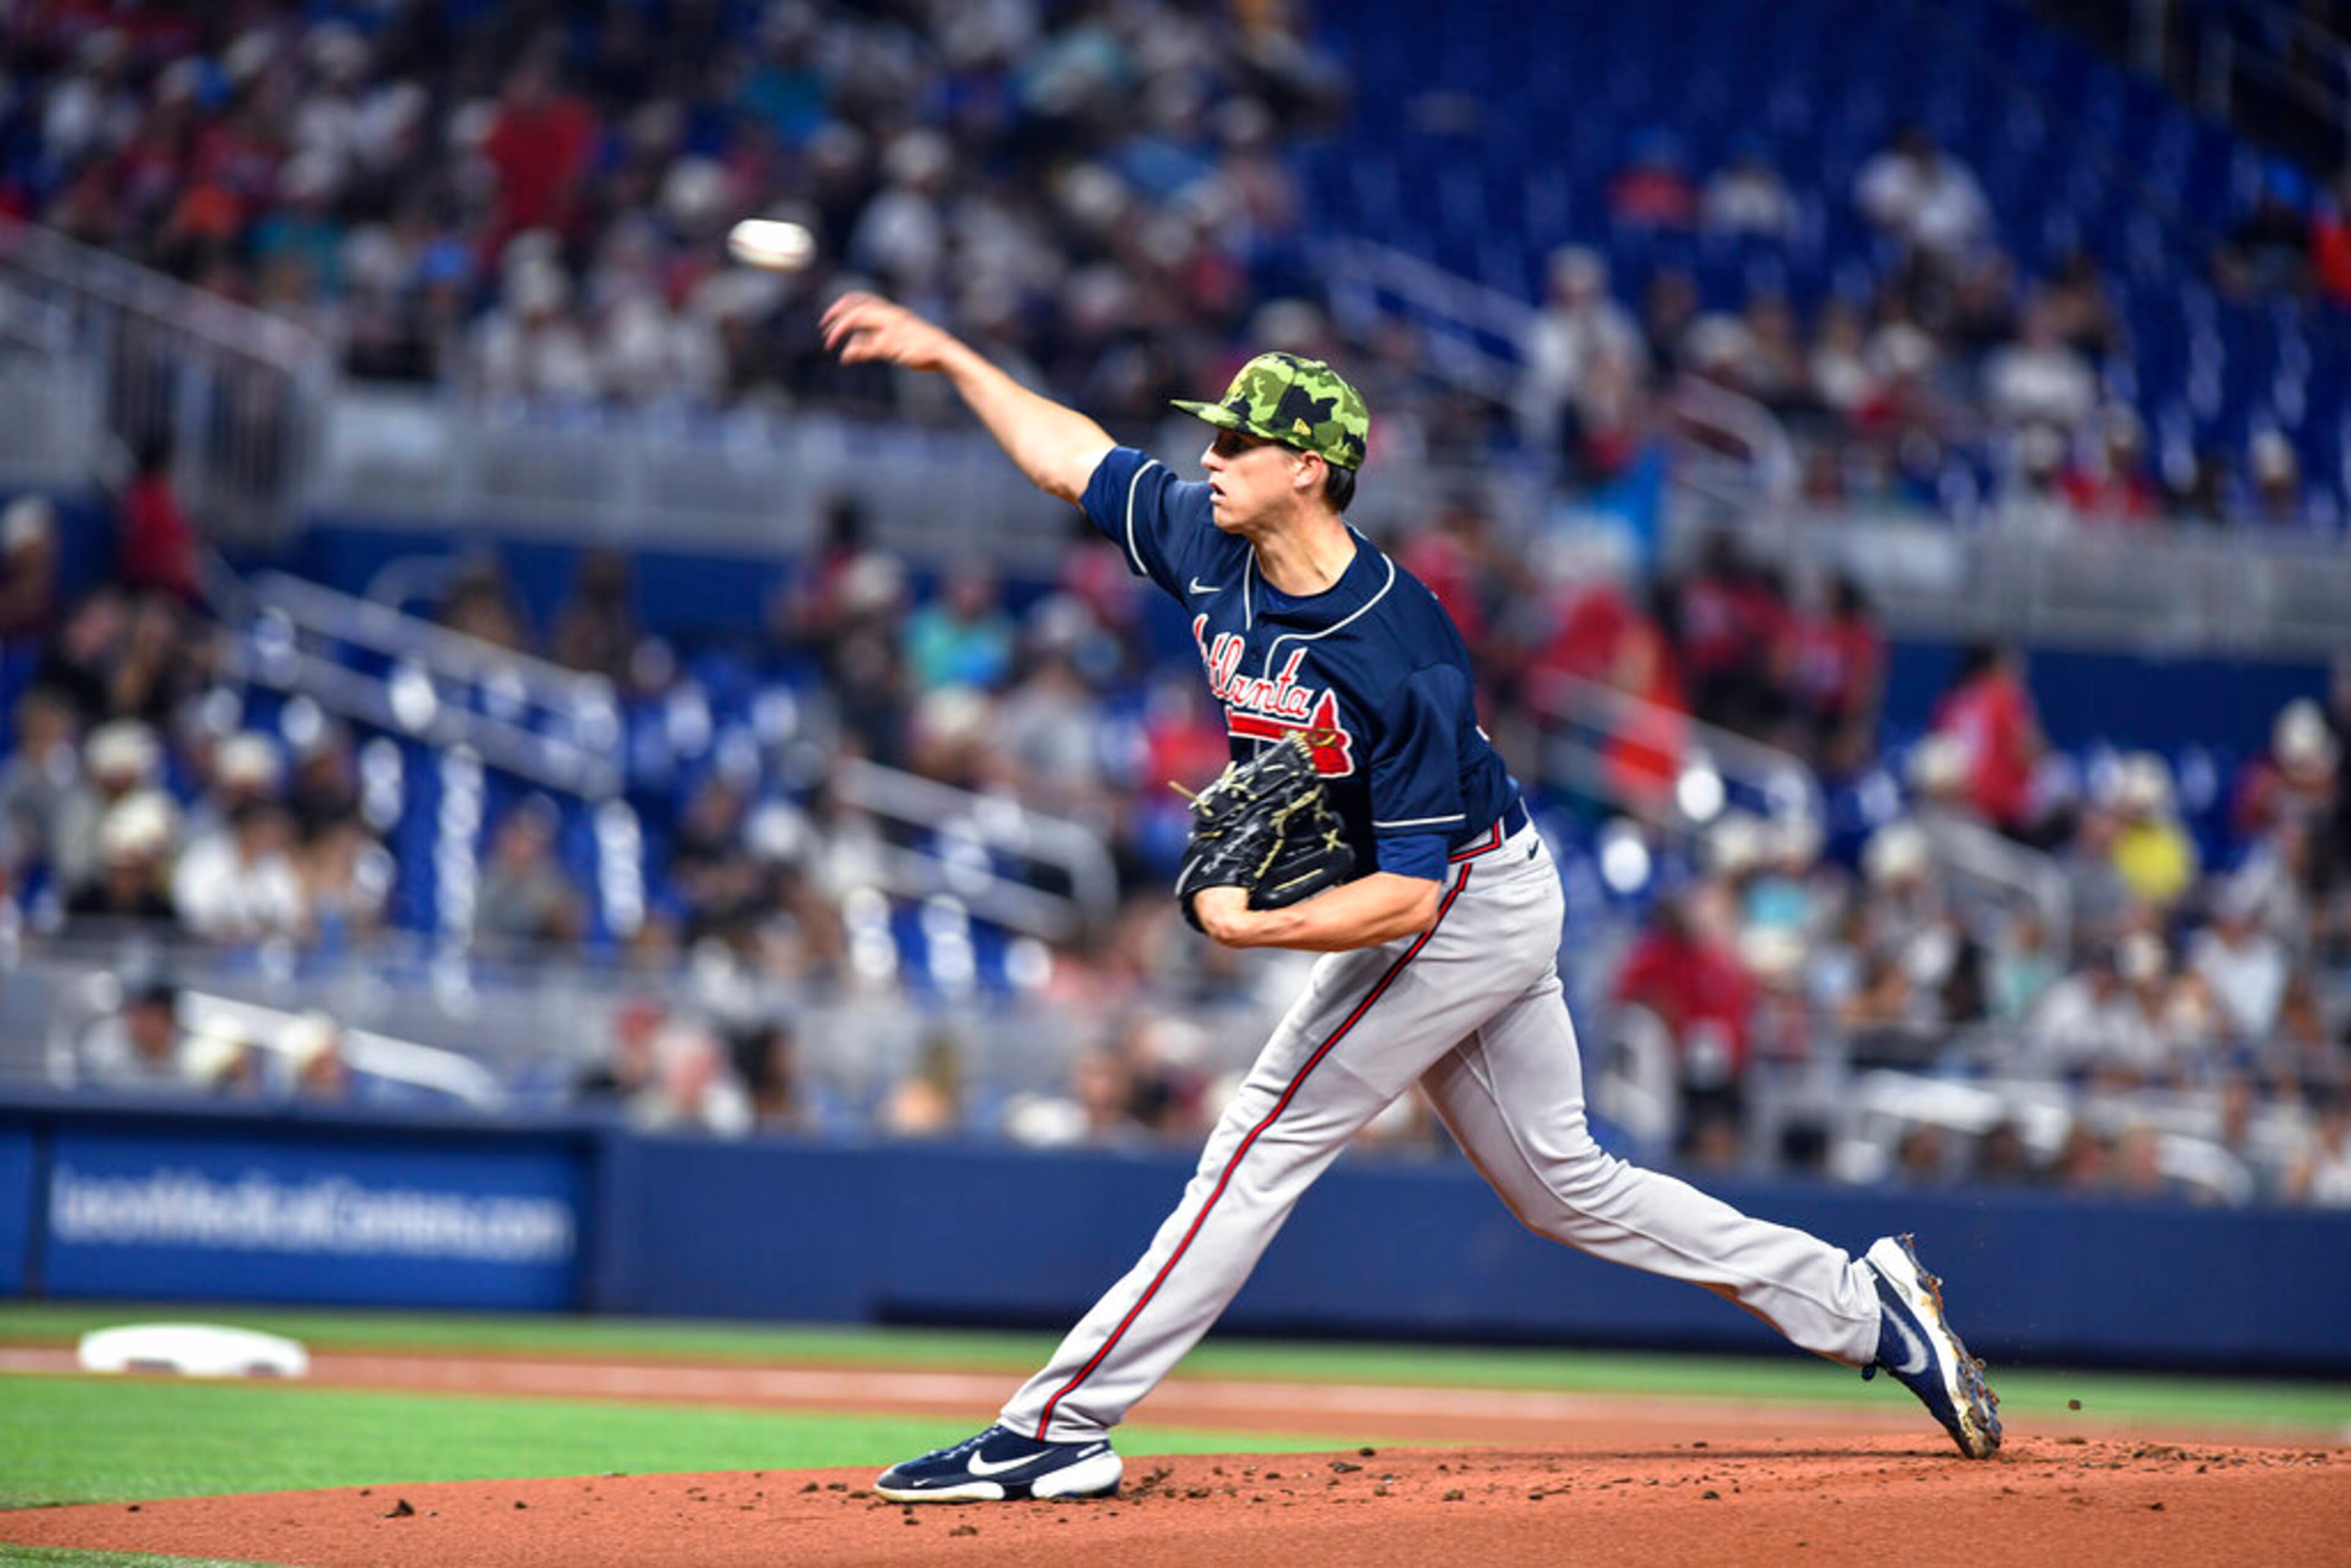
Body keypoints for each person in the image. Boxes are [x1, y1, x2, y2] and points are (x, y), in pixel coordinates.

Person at [819, 291, 2001, 1504]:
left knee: (1263, 1137)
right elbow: (1070, 455)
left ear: (1311, 470)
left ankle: (1057, 1426)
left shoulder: (1400, 644)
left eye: (1237, 442)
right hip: (1469, 895)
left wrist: (1251, 926)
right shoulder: (1206, 541)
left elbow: (1406, 899)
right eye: (1212, 436)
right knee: (1564, 1187)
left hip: (1464, 903)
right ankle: (1870, 1312)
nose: (1209, 458)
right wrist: (956, 353)